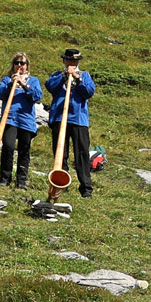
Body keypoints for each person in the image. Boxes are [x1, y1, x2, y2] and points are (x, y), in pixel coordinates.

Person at [46, 48, 96, 198]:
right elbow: (50, 86)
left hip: (78, 119)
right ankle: (61, 183)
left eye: (74, 61)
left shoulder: (84, 75)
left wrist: (76, 78)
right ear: (64, 61)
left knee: (81, 153)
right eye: (69, 61)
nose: (72, 63)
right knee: (61, 153)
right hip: (59, 118)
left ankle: (86, 188)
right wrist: (64, 76)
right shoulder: (57, 75)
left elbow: (88, 92)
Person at [0, 53, 42, 188]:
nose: (19, 65)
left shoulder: (33, 81)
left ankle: (21, 181)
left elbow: (37, 96)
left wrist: (23, 84)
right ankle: (5, 178)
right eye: (17, 63)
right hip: (9, 119)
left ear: (27, 66)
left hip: (26, 120)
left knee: (24, 150)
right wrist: (10, 84)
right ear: (13, 65)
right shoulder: (7, 79)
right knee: (8, 146)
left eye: (22, 63)